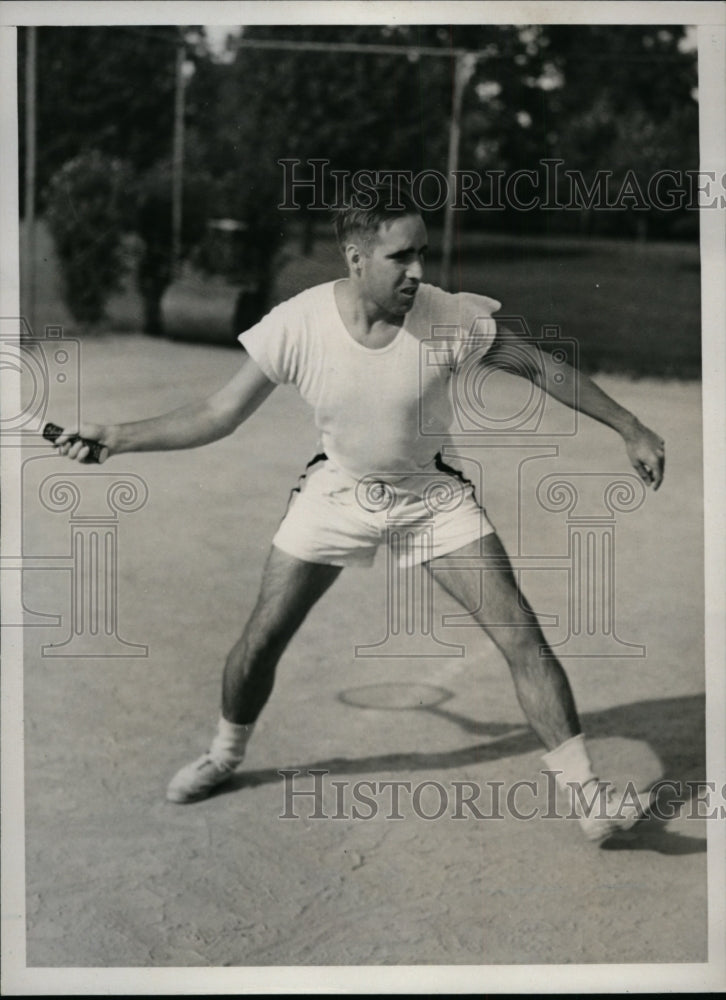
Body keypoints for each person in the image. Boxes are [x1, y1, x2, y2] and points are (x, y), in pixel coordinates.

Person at [53, 185, 665, 841]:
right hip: (338, 492)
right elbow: (215, 414)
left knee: (520, 632)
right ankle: (225, 755)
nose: (419, 272)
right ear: (355, 258)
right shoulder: (298, 323)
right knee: (263, 637)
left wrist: (629, 425)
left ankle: (589, 803)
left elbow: (541, 369)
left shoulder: (448, 317)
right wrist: (118, 437)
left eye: (423, 254)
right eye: (402, 257)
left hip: (432, 496)